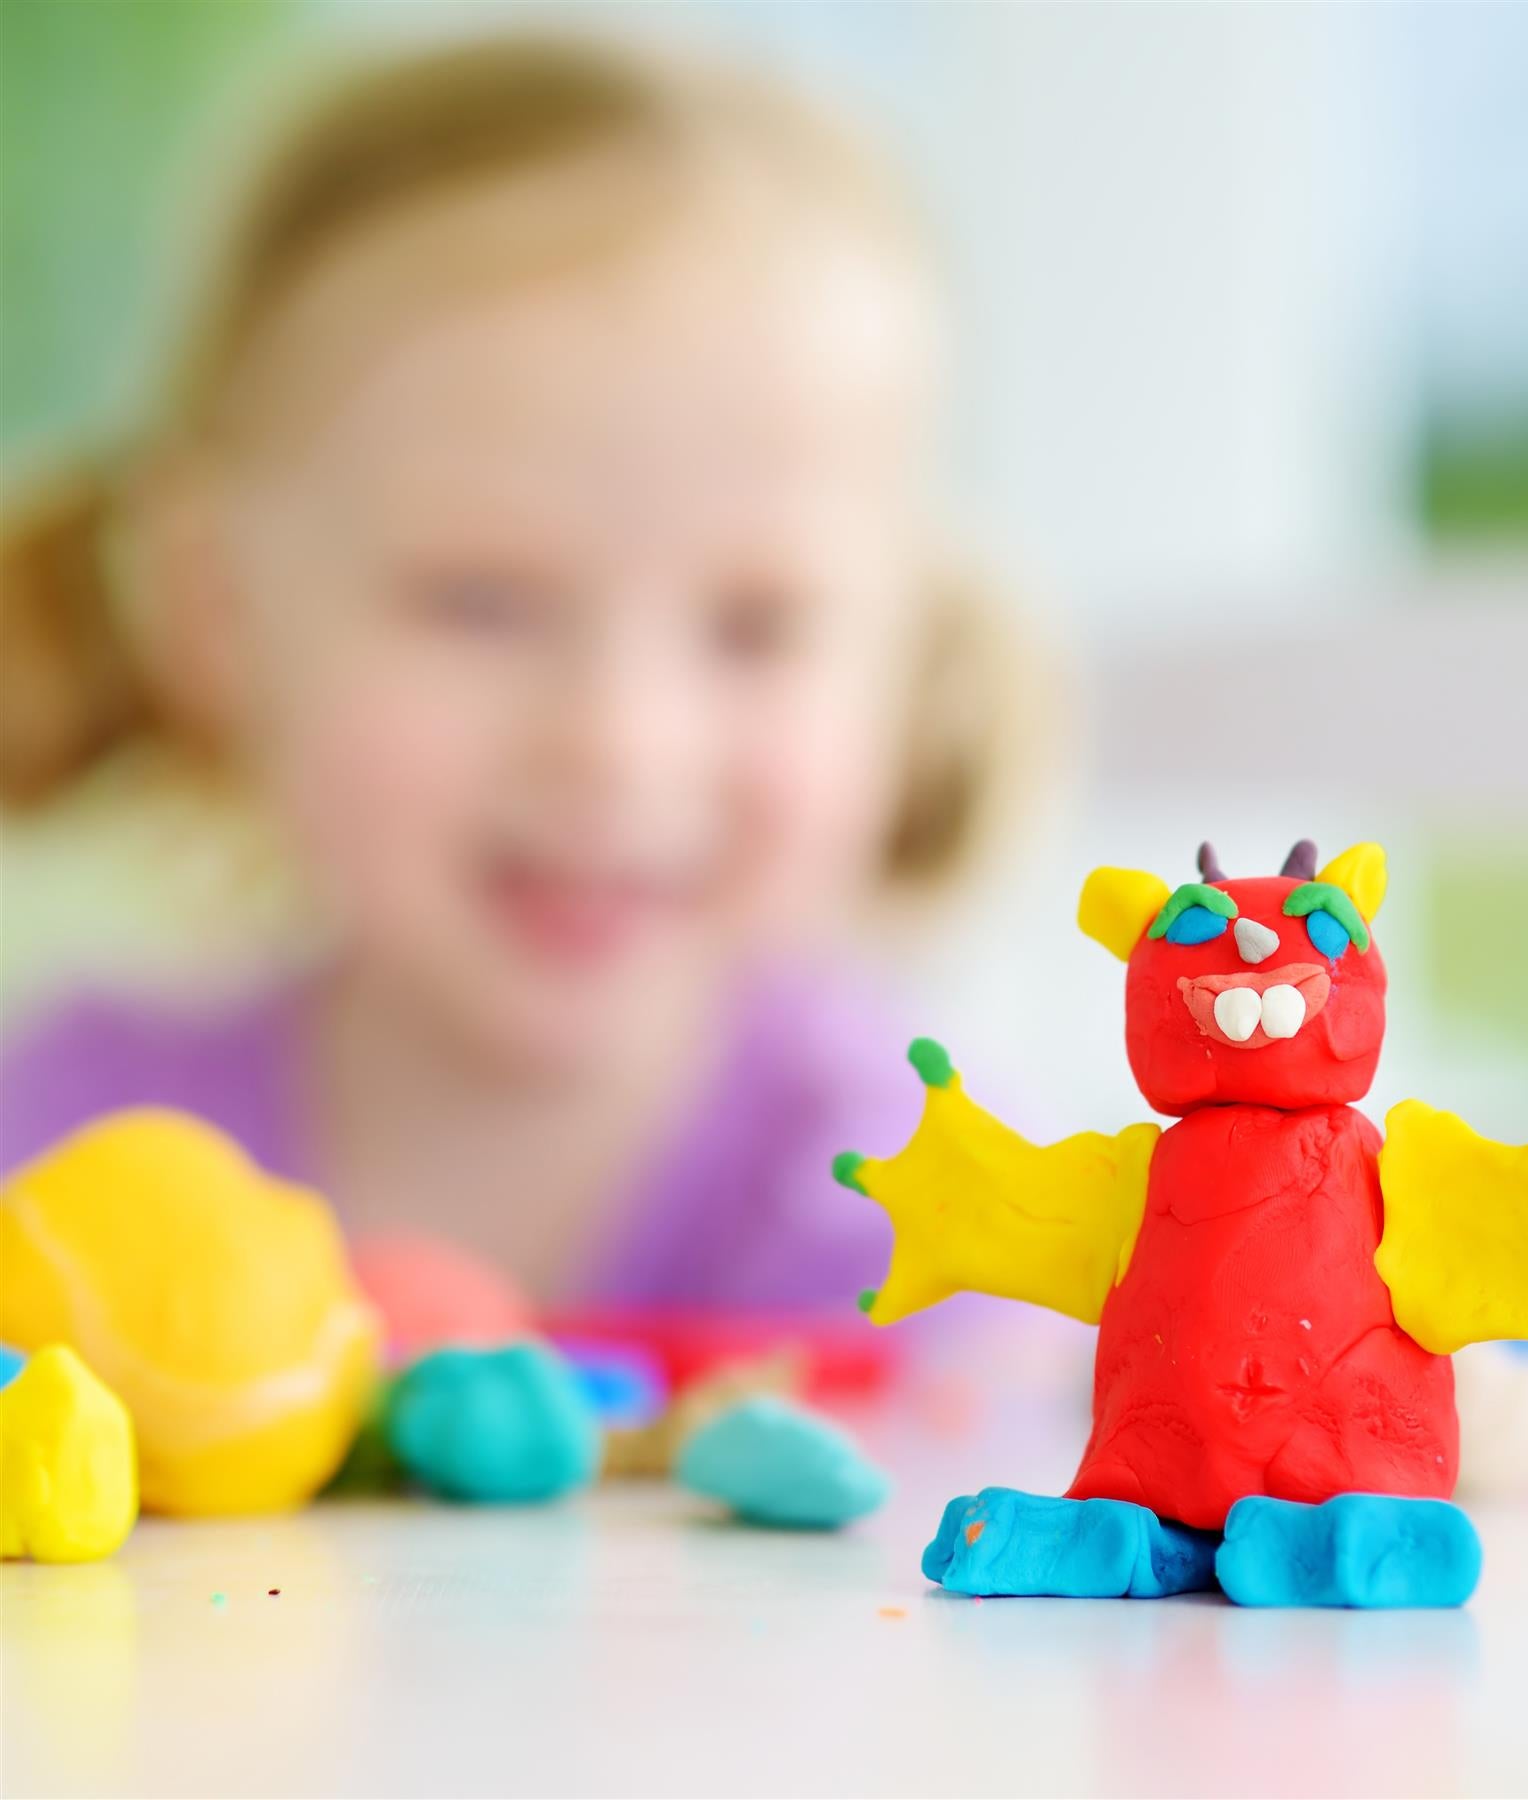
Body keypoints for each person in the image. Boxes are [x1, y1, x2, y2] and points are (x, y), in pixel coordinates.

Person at [0, 33, 1029, 1313]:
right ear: (219, 612)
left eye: (757, 624)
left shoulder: (927, 1222)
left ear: (901, 659)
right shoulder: (59, 1158)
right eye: (483, 601)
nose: (618, 738)